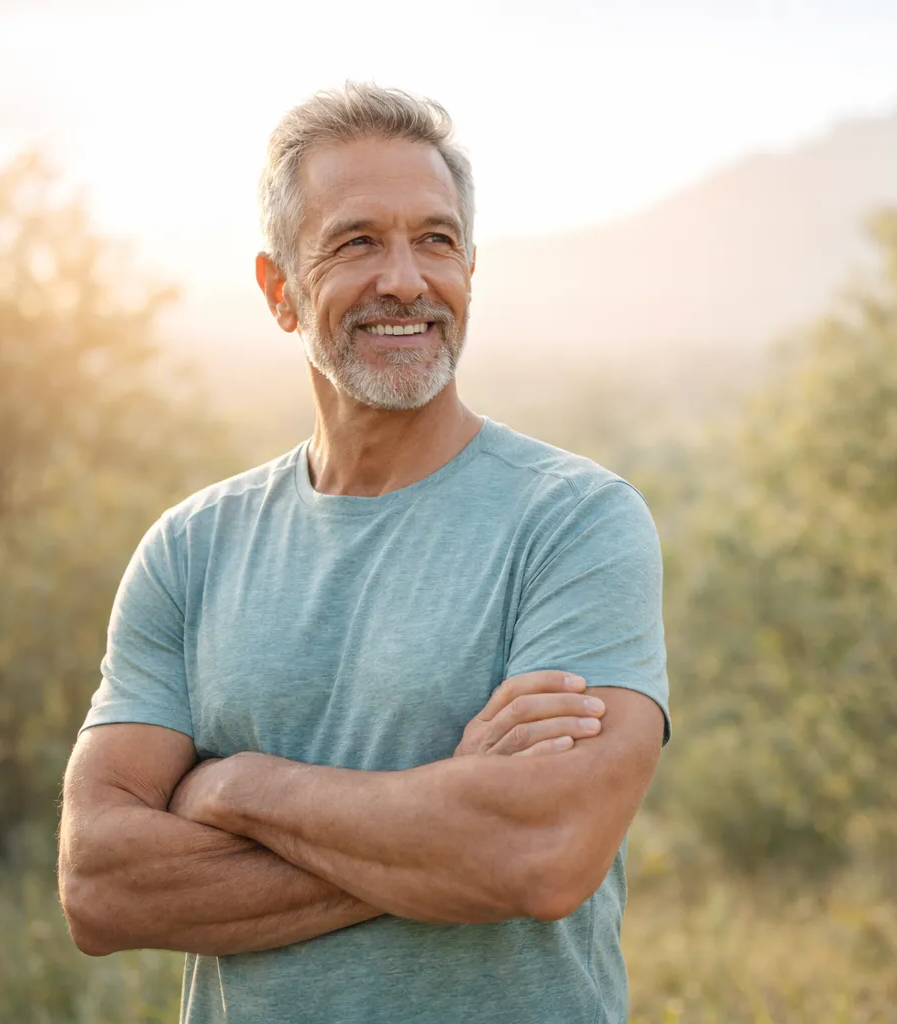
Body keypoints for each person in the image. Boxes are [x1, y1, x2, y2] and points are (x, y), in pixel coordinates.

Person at [56, 82, 669, 1024]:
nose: (405, 280)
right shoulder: (191, 549)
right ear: (279, 292)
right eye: (355, 242)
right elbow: (102, 884)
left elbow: (541, 858)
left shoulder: (575, 522)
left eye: (436, 239)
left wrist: (237, 785)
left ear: (470, 267)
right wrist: (445, 826)